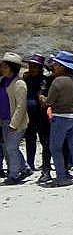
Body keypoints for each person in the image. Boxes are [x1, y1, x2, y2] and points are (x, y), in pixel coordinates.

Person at [40, 51, 73, 187]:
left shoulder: (57, 81)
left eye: (56, 64)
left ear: (62, 66)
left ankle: (61, 177)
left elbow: (49, 102)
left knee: (55, 148)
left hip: (61, 118)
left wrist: (42, 98)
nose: (53, 66)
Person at [22, 54, 53, 183]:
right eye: (31, 66)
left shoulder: (44, 80)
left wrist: (41, 96)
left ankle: (46, 165)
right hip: (28, 114)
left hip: (41, 115)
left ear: (40, 68)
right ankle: (30, 163)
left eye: (35, 66)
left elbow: (43, 93)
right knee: (30, 139)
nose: (32, 68)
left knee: (45, 140)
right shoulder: (26, 79)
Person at [0, 53, 29, 185]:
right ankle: (25, 168)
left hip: (16, 122)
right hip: (4, 120)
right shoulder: (3, 81)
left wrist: (14, 124)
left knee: (11, 148)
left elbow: (21, 106)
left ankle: (14, 175)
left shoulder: (19, 84)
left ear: (12, 68)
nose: (2, 69)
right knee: (10, 148)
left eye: (5, 67)